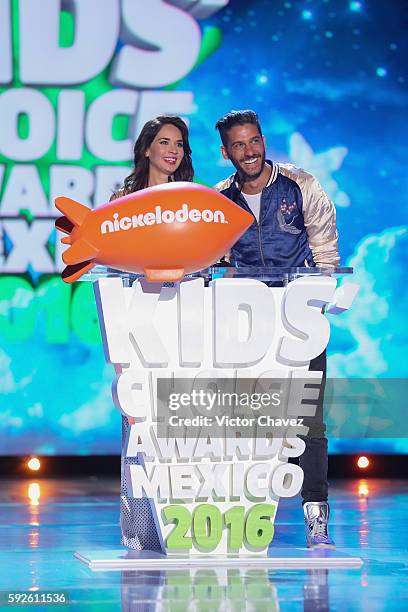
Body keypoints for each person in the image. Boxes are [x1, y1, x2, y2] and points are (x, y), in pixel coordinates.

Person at [214, 109, 339, 548]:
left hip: (300, 316)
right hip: (246, 320)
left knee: (309, 422)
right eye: (238, 145)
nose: (249, 152)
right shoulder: (219, 199)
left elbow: (326, 249)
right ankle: (242, 516)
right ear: (226, 151)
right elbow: (213, 258)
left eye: (254, 141)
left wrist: (317, 303)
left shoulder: (300, 185)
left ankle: (316, 517)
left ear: (263, 140)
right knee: (244, 418)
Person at [109, 115, 194, 549]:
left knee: (180, 418)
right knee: (139, 419)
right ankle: (141, 530)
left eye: (179, 142)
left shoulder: (195, 200)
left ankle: (185, 521)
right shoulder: (123, 200)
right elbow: (109, 262)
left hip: (185, 320)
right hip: (138, 318)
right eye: (164, 142)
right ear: (146, 148)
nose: (172, 150)